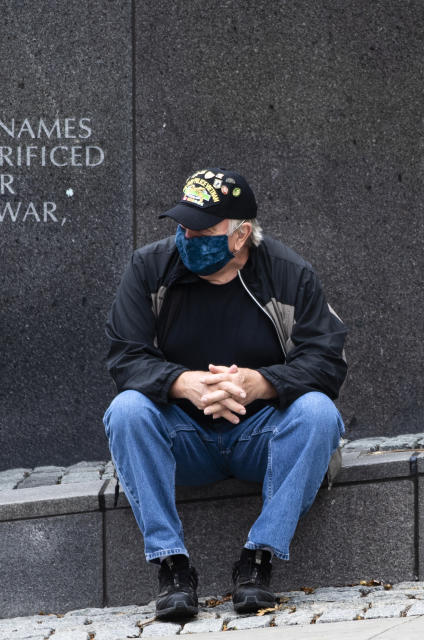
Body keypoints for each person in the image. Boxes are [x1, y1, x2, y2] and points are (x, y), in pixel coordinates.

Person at [102, 168, 347, 620]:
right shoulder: (148, 268)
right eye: (183, 226)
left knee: (318, 413)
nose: (187, 236)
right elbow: (123, 356)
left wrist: (264, 383)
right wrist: (182, 384)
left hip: (261, 435)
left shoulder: (290, 275)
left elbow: (328, 359)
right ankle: (172, 565)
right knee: (126, 410)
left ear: (241, 236)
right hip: (183, 439)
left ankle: (258, 560)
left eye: (202, 230)